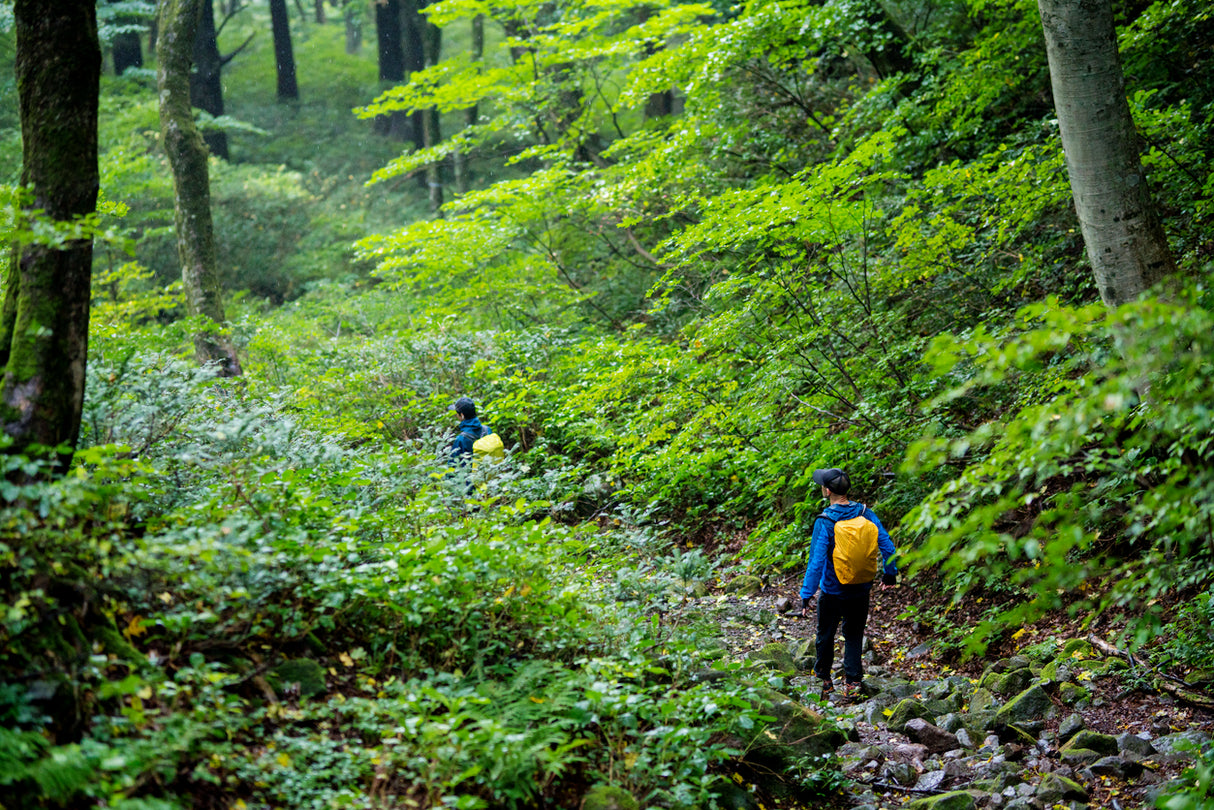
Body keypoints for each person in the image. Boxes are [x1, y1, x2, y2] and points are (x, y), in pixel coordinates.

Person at [799, 467, 898, 697]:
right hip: (860, 589)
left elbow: (816, 561)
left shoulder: (824, 521)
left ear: (827, 490)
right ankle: (853, 684)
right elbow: (888, 546)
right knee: (854, 635)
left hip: (832, 590)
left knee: (825, 633)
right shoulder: (865, 513)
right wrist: (889, 574)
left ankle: (824, 681)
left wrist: (806, 594)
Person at [448, 396, 491, 467]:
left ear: (462, 415)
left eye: (456, 413)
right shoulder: (487, 430)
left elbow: (452, 466)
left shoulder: (461, 439)